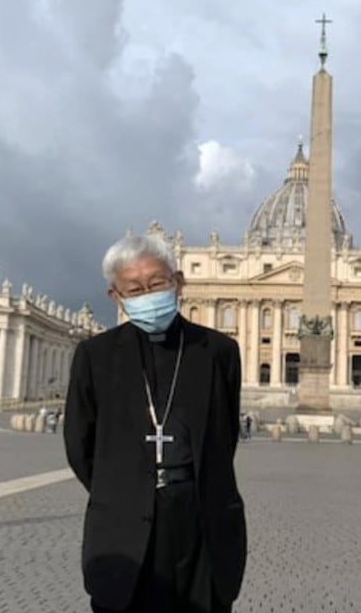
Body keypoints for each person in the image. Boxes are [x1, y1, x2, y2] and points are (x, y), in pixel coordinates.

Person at [64, 234, 247, 612]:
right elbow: (80, 444)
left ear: (178, 283)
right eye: (135, 288)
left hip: (201, 517)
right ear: (116, 297)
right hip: (124, 520)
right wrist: (123, 491)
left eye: (157, 283)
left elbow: (224, 434)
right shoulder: (95, 356)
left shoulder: (218, 352)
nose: (148, 294)